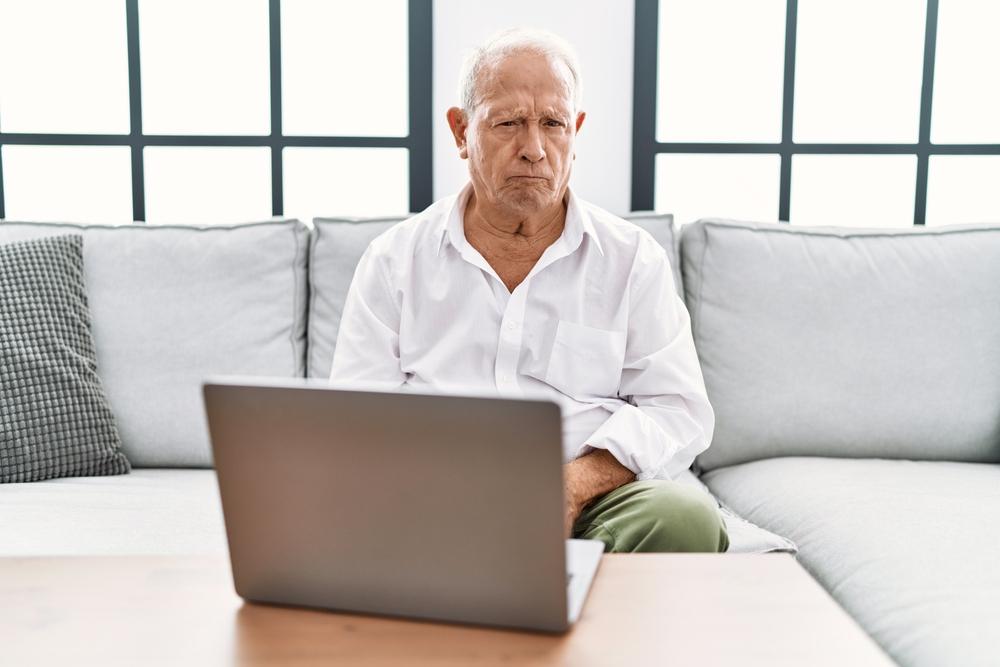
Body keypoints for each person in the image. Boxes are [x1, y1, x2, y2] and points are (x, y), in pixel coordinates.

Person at [331, 28, 728, 553]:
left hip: (587, 501)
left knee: (685, 517)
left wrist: (569, 488)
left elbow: (677, 411)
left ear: (576, 132)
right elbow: (356, 424)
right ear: (460, 131)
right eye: (508, 123)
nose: (534, 149)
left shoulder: (632, 261)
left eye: (553, 124)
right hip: (433, 496)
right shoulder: (393, 260)